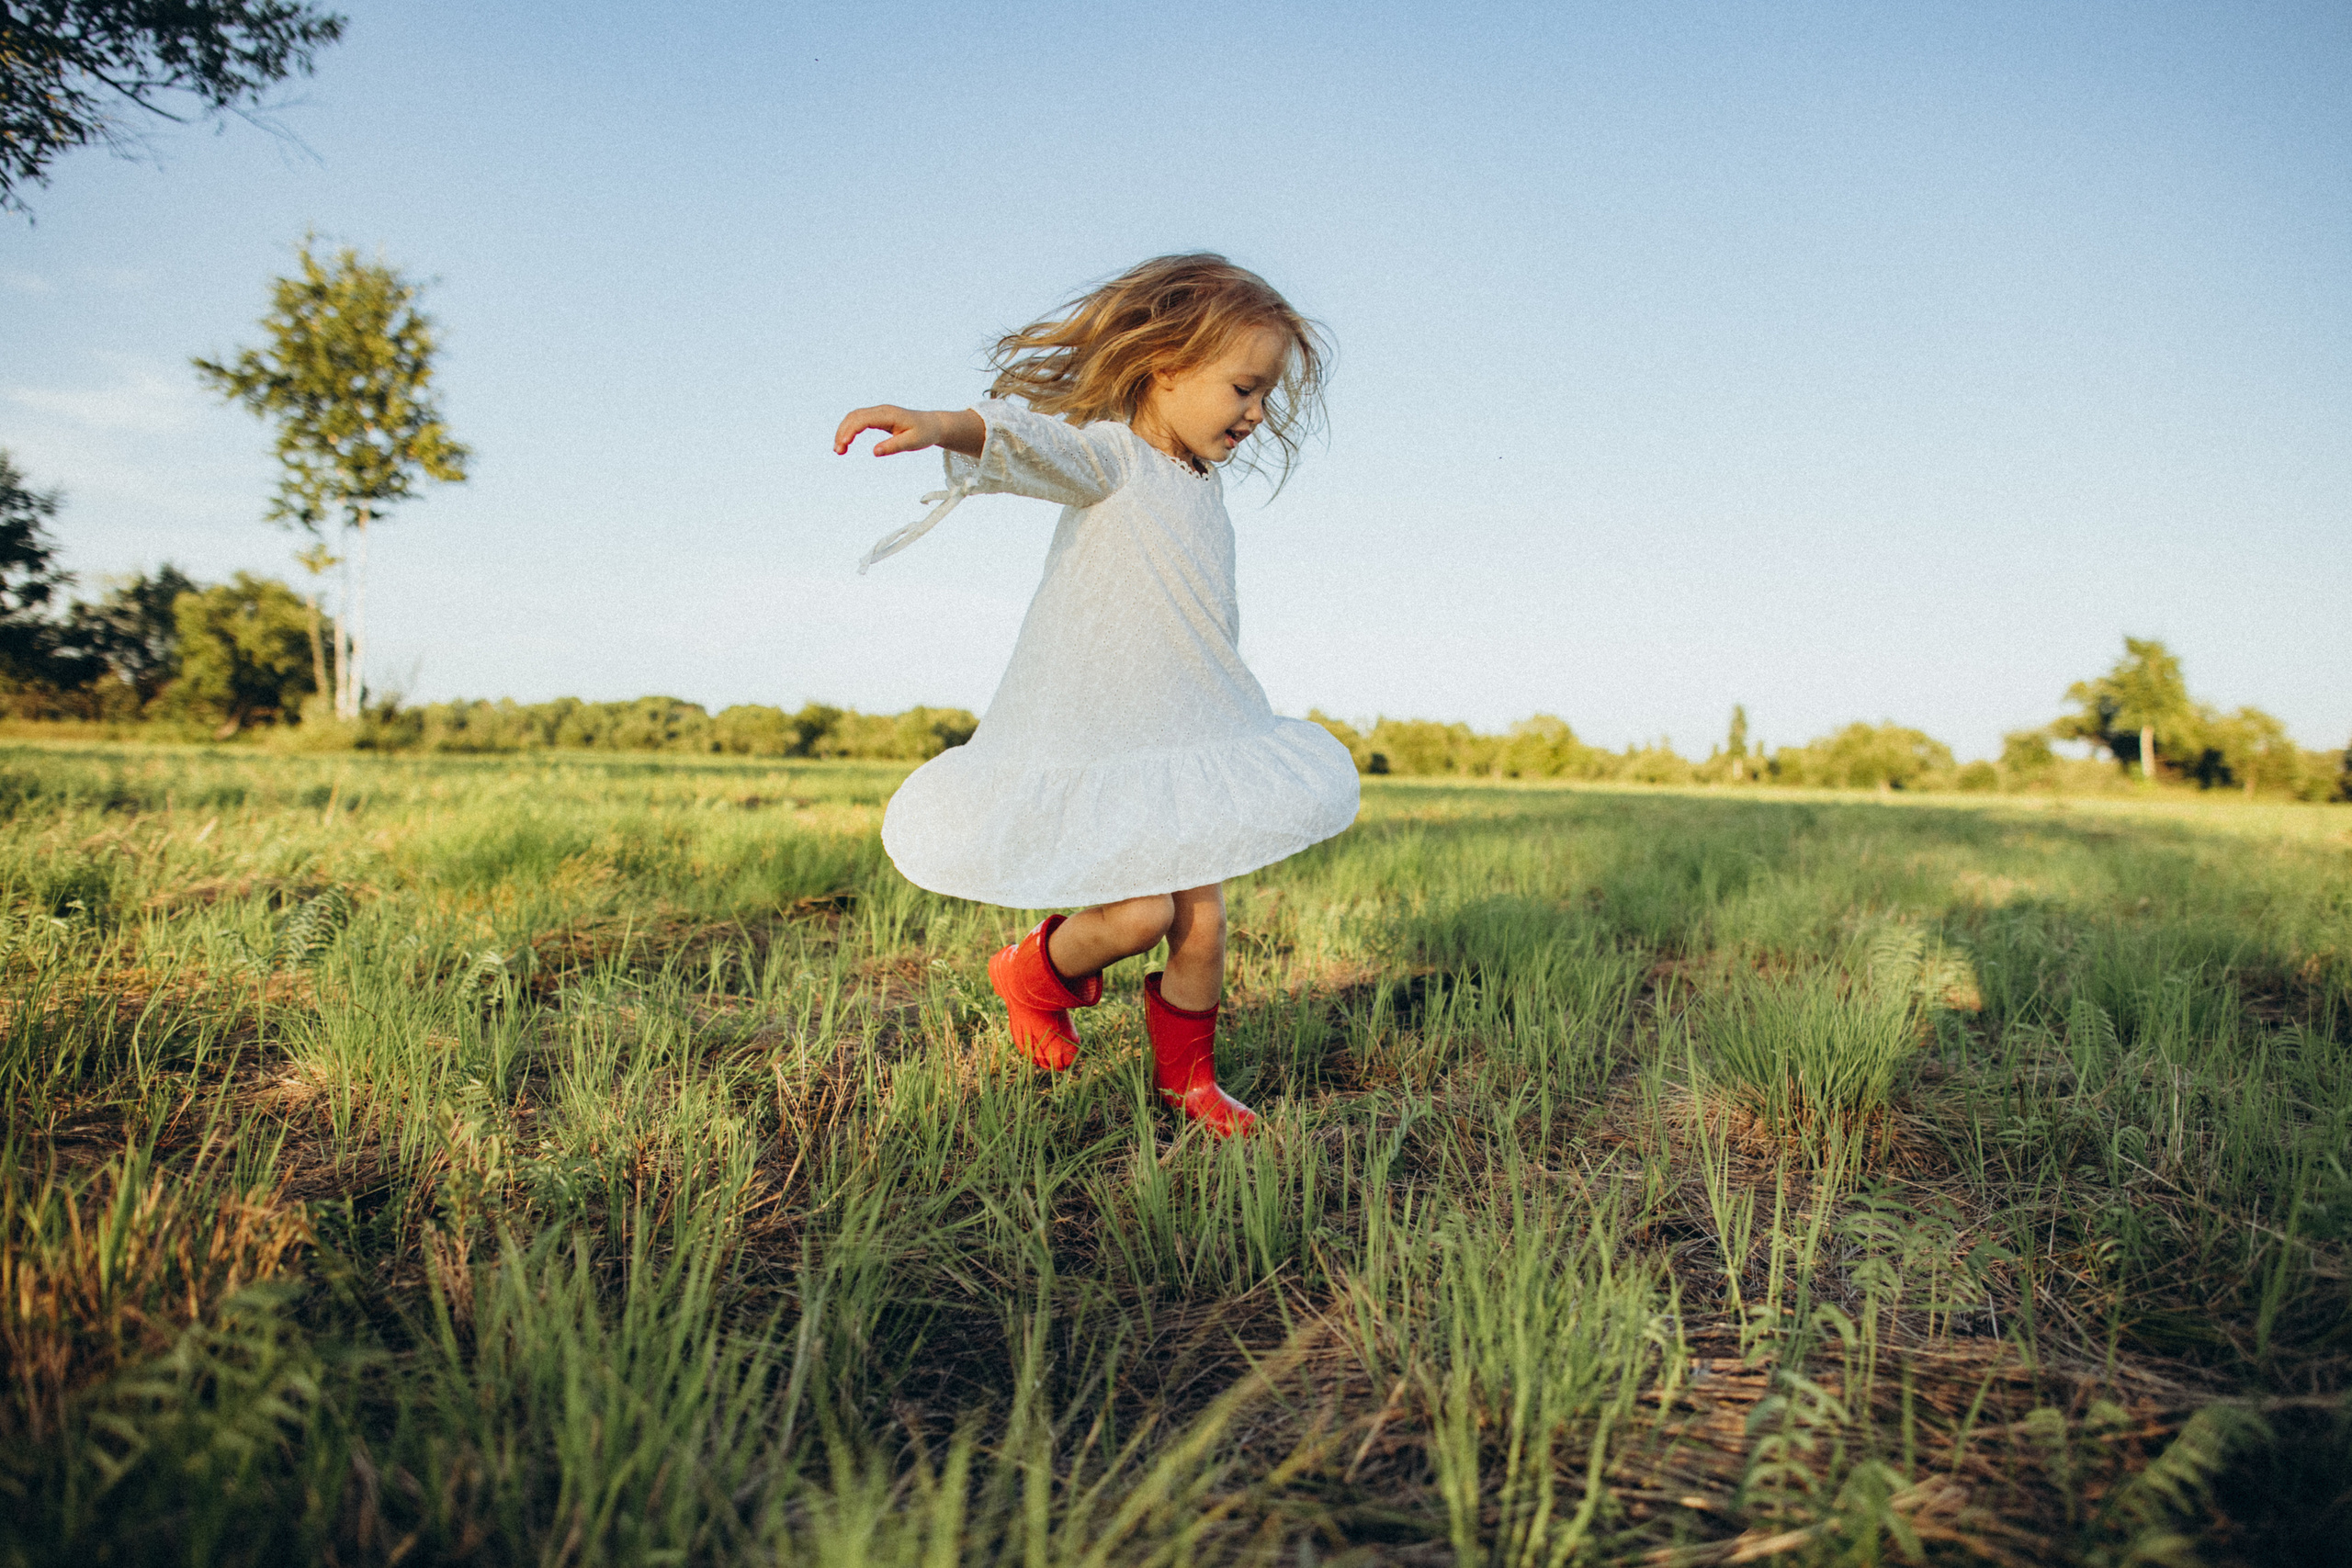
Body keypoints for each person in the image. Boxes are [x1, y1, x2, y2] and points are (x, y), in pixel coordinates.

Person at [832, 254, 1360, 1137]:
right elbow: (1037, 443)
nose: (1257, 413)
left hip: (1188, 732)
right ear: (1166, 366)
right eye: (1243, 388)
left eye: (1266, 394)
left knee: (1201, 923)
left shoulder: (1203, 485)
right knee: (1139, 914)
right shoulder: (1116, 459)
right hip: (1109, 736)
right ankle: (1029, 975)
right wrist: (942, 425)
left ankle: (1189, 1082)